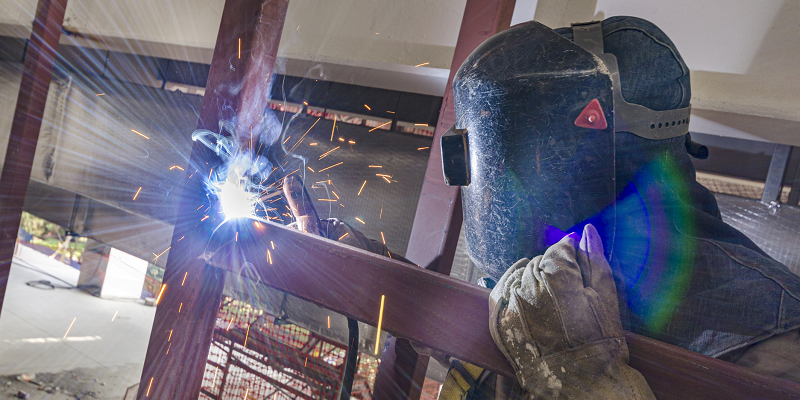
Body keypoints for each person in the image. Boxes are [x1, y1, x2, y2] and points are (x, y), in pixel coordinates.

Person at [320, 16, 800, 399]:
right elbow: (489, 341)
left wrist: (586, 379)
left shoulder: (776, 341)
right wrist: (361, 265)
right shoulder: (564, 265)